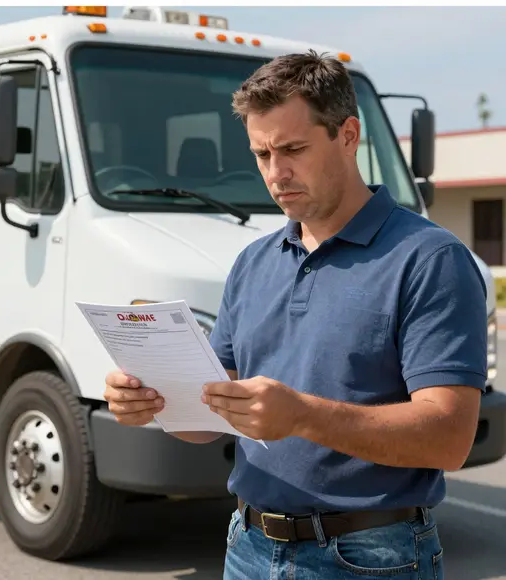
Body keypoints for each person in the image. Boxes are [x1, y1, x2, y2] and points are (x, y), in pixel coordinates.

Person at [103, 50, 488, 579]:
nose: (275, 173)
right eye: (261, 154)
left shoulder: (429, 259)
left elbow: (450, 438)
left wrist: (303, 415)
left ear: (348, 135)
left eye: (293, 150)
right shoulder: (252, 262)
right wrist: (153, 402)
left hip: (370, 558)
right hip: (248, 548)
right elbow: (212, 412)